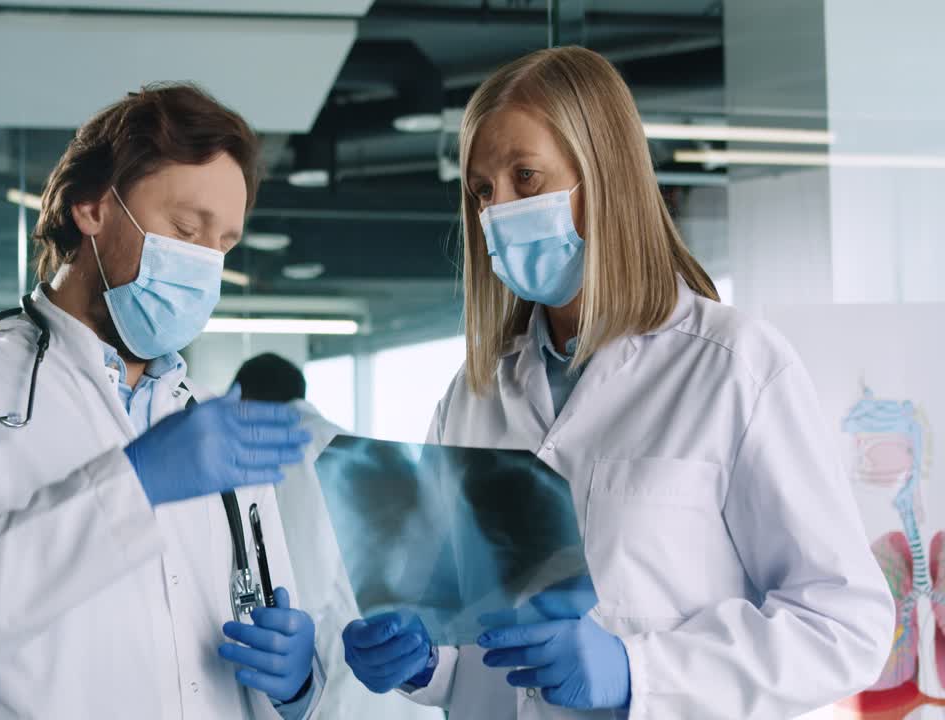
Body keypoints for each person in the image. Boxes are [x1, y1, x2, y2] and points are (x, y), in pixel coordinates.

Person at [340, 46, 895, 719]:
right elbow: (464, 637)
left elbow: (843, 625)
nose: (499, 210)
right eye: (483, 190)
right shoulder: (475, 395)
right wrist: (422, 658)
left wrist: (640, 669)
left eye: (526, 177)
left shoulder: (730, 365)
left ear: (603, 177)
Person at [0, 84, 325, 719]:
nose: (205, 264)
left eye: (223, 245)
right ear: (91, 207)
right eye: (185, 228)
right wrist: (135, 482)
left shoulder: (213, 424)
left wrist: (295, 687)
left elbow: (245, 647)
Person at [233, 353, 445, 720]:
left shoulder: (287, 452)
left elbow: (300, 591)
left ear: (245, 401)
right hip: (409, 681)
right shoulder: (366, 447)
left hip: (348, 685)